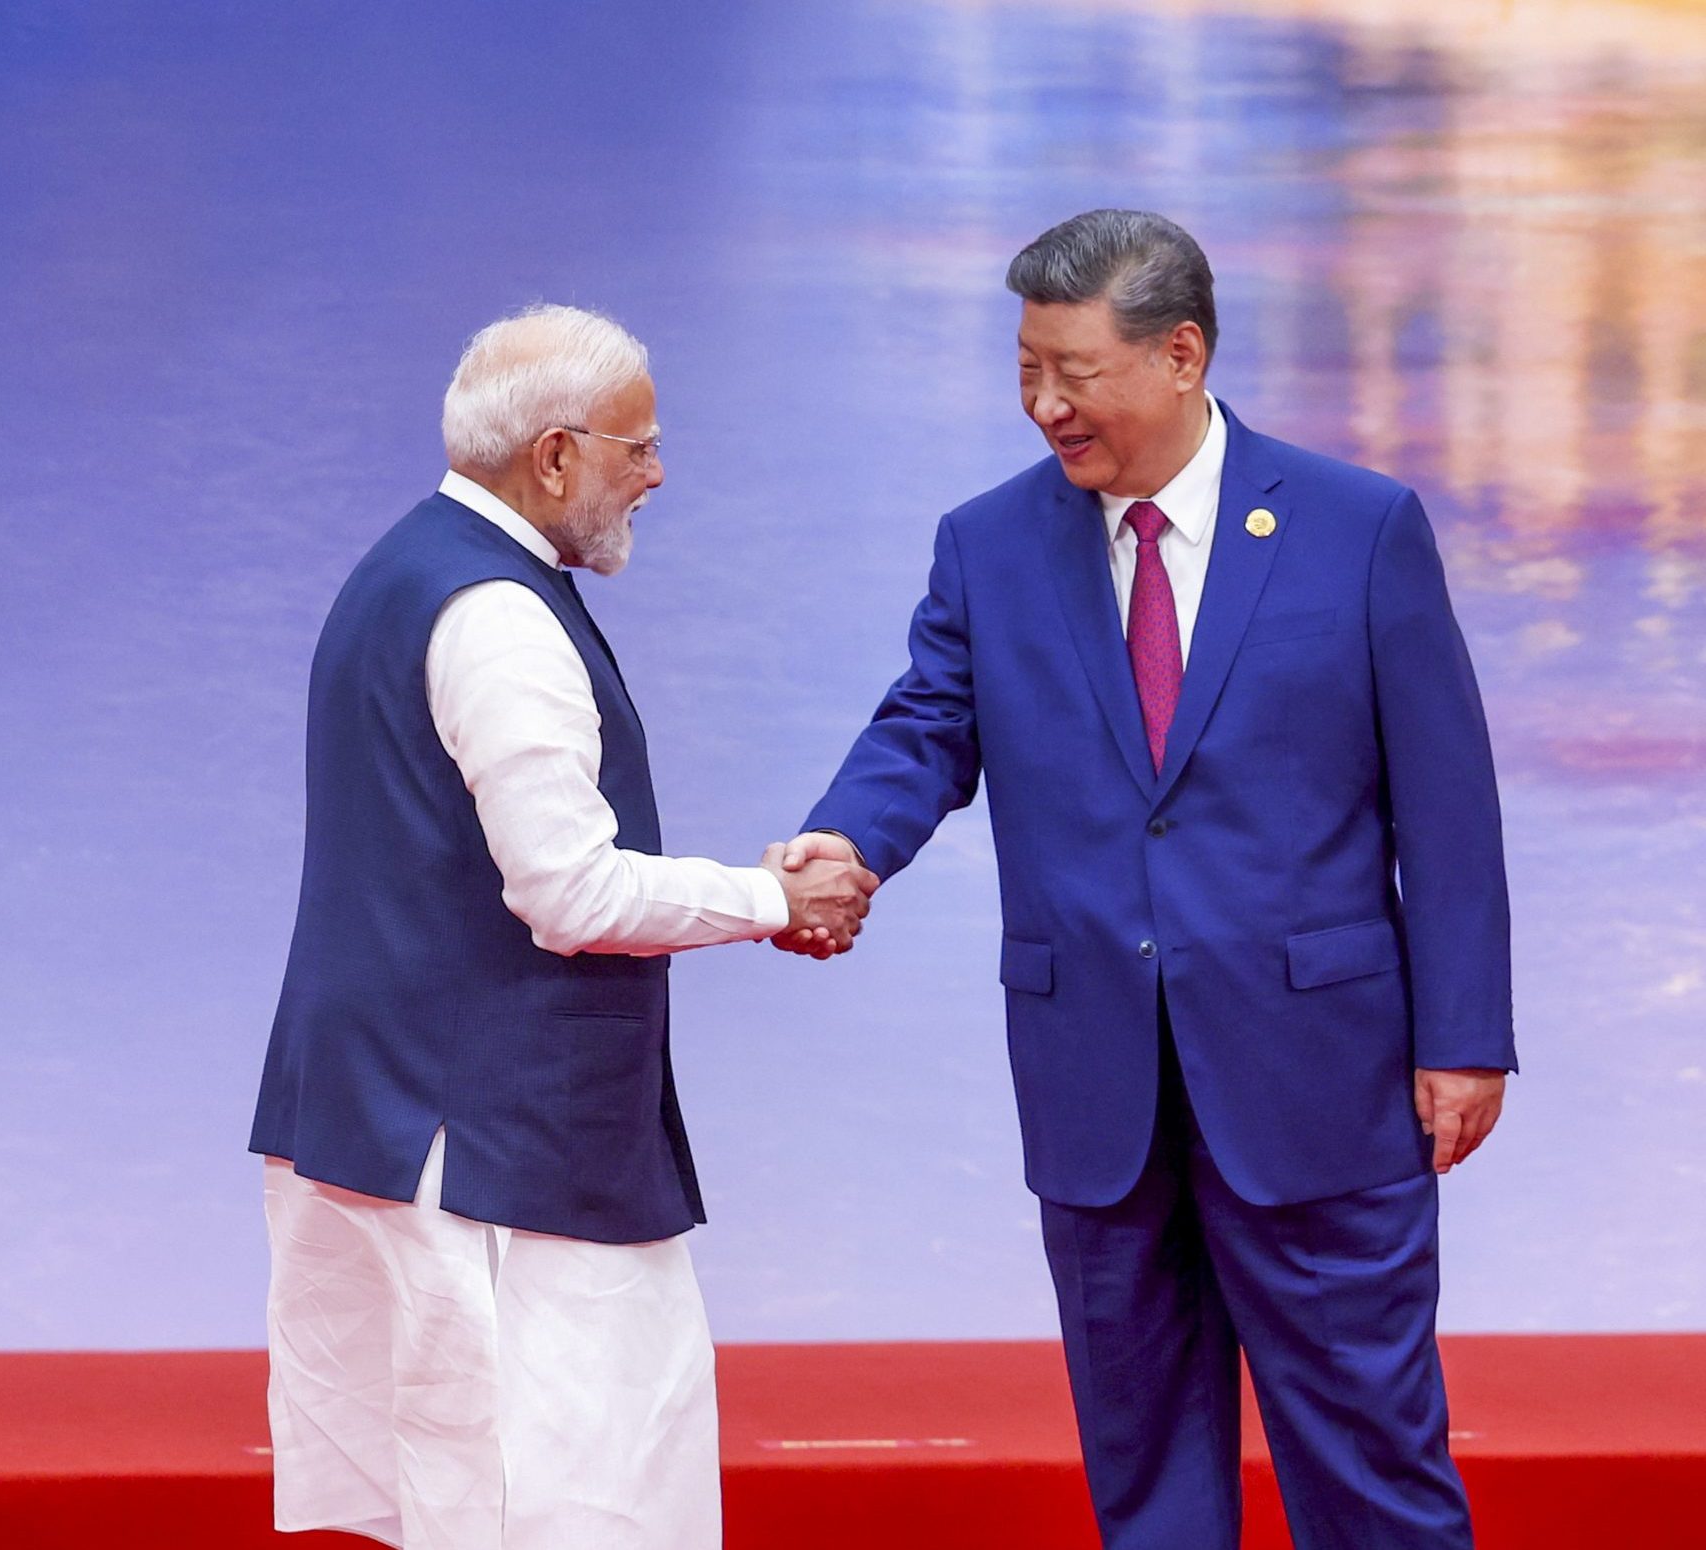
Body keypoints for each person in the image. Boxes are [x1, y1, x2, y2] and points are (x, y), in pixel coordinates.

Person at [776, 210, 1514, 1548]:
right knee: (1150, 1481)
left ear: (1181, 353)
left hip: (1321, 1079)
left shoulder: (1359, 528)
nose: (1045, 404)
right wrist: (848, 840)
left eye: (1074, 369)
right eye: (1025, 370)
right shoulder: (988, 544)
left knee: (1373, 1468)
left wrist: (1465, 1037)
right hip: (1098, 1088)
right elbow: (926, 722)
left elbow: (1447, 809)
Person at [248, 302, 876, 1550]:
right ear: (552, 455)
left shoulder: (407, 567)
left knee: (470, 1498)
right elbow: (569, 894)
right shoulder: (497, 618)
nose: (657, 471)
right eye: (634, 446)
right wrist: (773, 899)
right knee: (573, 1505)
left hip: (397, 1116)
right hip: (494, 1150)